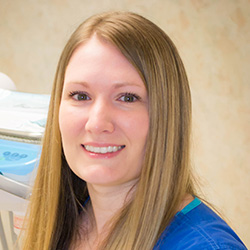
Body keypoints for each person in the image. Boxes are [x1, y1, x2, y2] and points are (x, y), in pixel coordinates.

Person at [21, 11, 247, 250]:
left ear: (166, 115)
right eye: (80, 95)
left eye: (127, 98)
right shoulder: (67, 222)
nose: (97, 123)